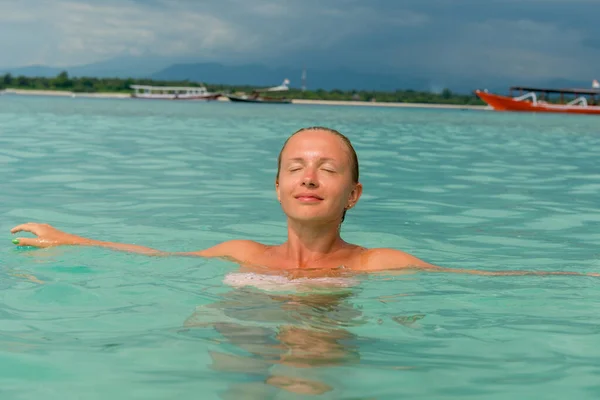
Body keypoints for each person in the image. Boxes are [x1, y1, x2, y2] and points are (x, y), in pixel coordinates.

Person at [9, 126, 599, 278]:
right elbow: (156, 256)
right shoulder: (241, 253)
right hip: (241, 337)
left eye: (328, 169)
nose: (309, 177)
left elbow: (492, 277)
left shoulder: (378, 264)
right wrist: (70, 239)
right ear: (278, 187)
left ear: (353, 195)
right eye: (296, 167)